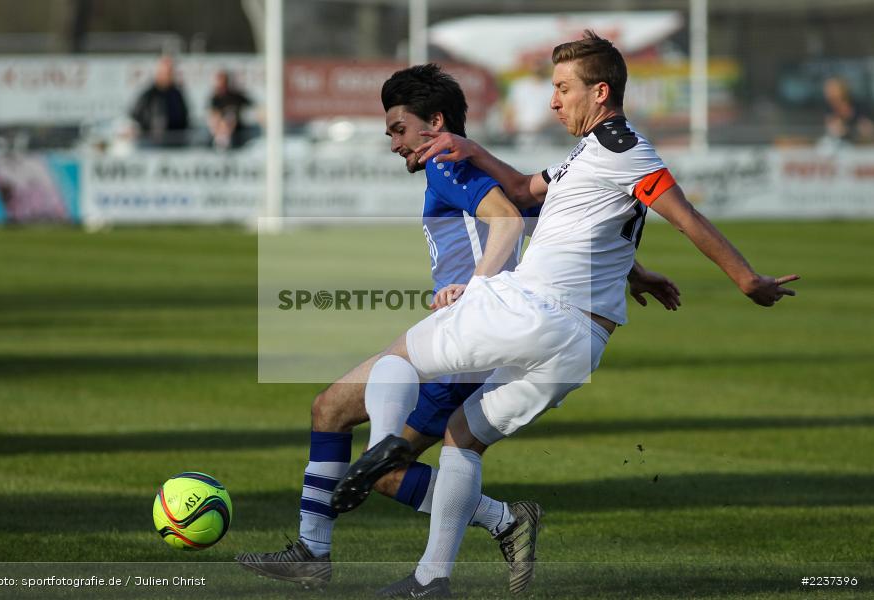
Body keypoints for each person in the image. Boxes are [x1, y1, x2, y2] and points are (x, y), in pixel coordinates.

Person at [332, 31, 799, 598]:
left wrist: (746, 279)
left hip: (532, 309)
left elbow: (683, 214)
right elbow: (530, 192)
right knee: (462, 439)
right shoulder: (591, 153)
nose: (553, 100)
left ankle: (383, 449)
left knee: (395, 362)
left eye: (562, 88)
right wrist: (475, 151)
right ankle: (432, 579)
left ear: (600, 92)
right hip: (578, 347)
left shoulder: (626, 149)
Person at [236, 64, 681, 594]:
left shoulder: (449, 165)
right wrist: (634, 269)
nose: (394, 143)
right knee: (385, 458)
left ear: (435, 122)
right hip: (495, 327)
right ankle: (487, 524)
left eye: (399, 129)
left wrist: (474, 286)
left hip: (476, 331)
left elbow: (508, 221)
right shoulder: (468, 164)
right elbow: (562, 222)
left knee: (336, 411)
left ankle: (324, 549)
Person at [130, 56, 190, 147]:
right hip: (151, 146)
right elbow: (135, 117)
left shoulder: (177, 94)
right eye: (167, 71)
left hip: (175, 145)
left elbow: (185, 119)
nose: (170, 74)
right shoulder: (148, 95)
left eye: (171, 71)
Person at [207, 70, 255, 149]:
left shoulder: (236, 96)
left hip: (237, 130)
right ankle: (221, 141)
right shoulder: (215, 98)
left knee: (230, 116)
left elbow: (252, 106)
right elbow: (213, 114)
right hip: (219, 130)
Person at [822, 76, 874, 146]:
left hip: (860, 145)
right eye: (827, 89)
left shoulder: (858, 105)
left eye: (832, 89)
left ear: (842, 89)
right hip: (838, 145)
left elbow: (867, 128)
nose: (829, 92)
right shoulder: (827, 108)